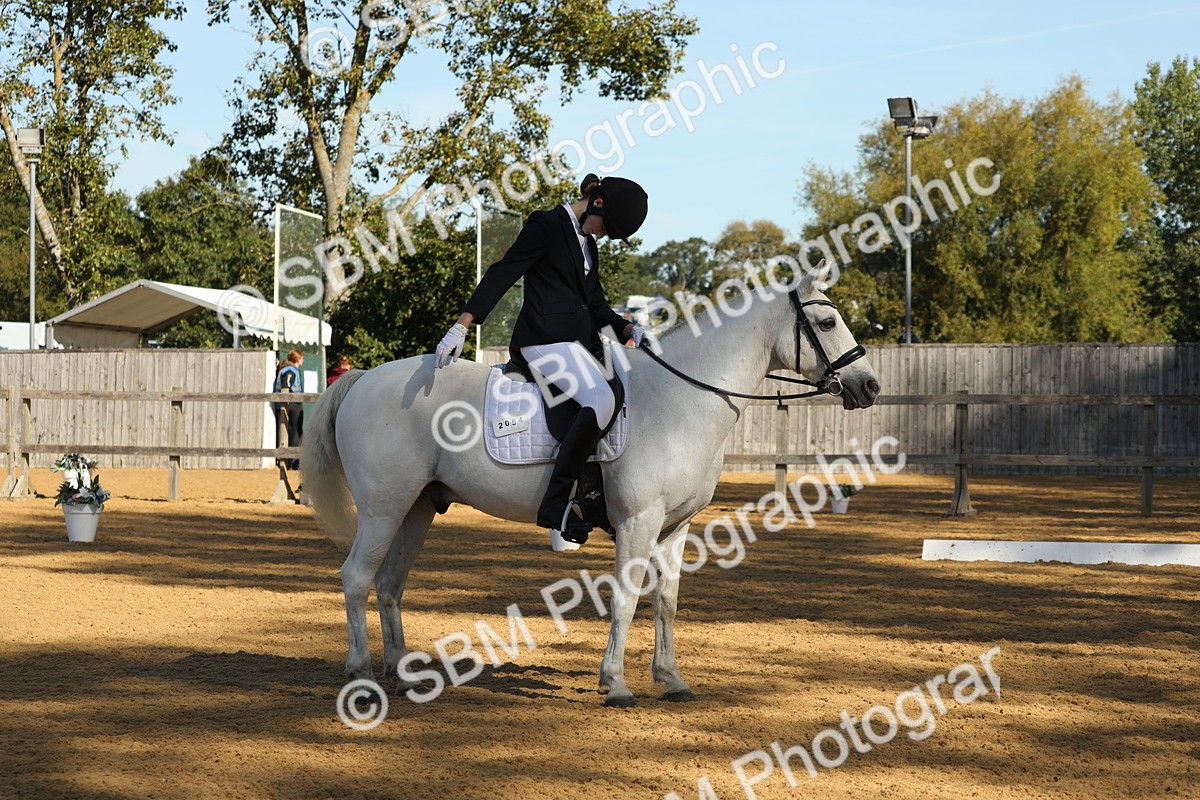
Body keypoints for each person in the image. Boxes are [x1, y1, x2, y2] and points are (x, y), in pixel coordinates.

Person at [433, 173, 653, 552]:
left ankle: (590, 496)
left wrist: (629, 328)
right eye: (607, 227)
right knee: (601, 400)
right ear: (596, 203)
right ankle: (556, 505)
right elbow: (503, 273)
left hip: (578, 346)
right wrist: (463, 323)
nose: (603, 235)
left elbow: (597, 307)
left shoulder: (589, 246)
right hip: (542, 342)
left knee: (619, 392)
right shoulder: (547, 225)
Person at [273, 350, 305, 470]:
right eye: (302, 358)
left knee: (287, 431)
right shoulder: (290, 371)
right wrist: (293, 399)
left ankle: (289, 459)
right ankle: (294, 460)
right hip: (291, 404)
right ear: (297, 359)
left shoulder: (284, 369)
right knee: (295, 431)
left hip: (284, 404)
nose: (303, 360)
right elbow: (286, 385)